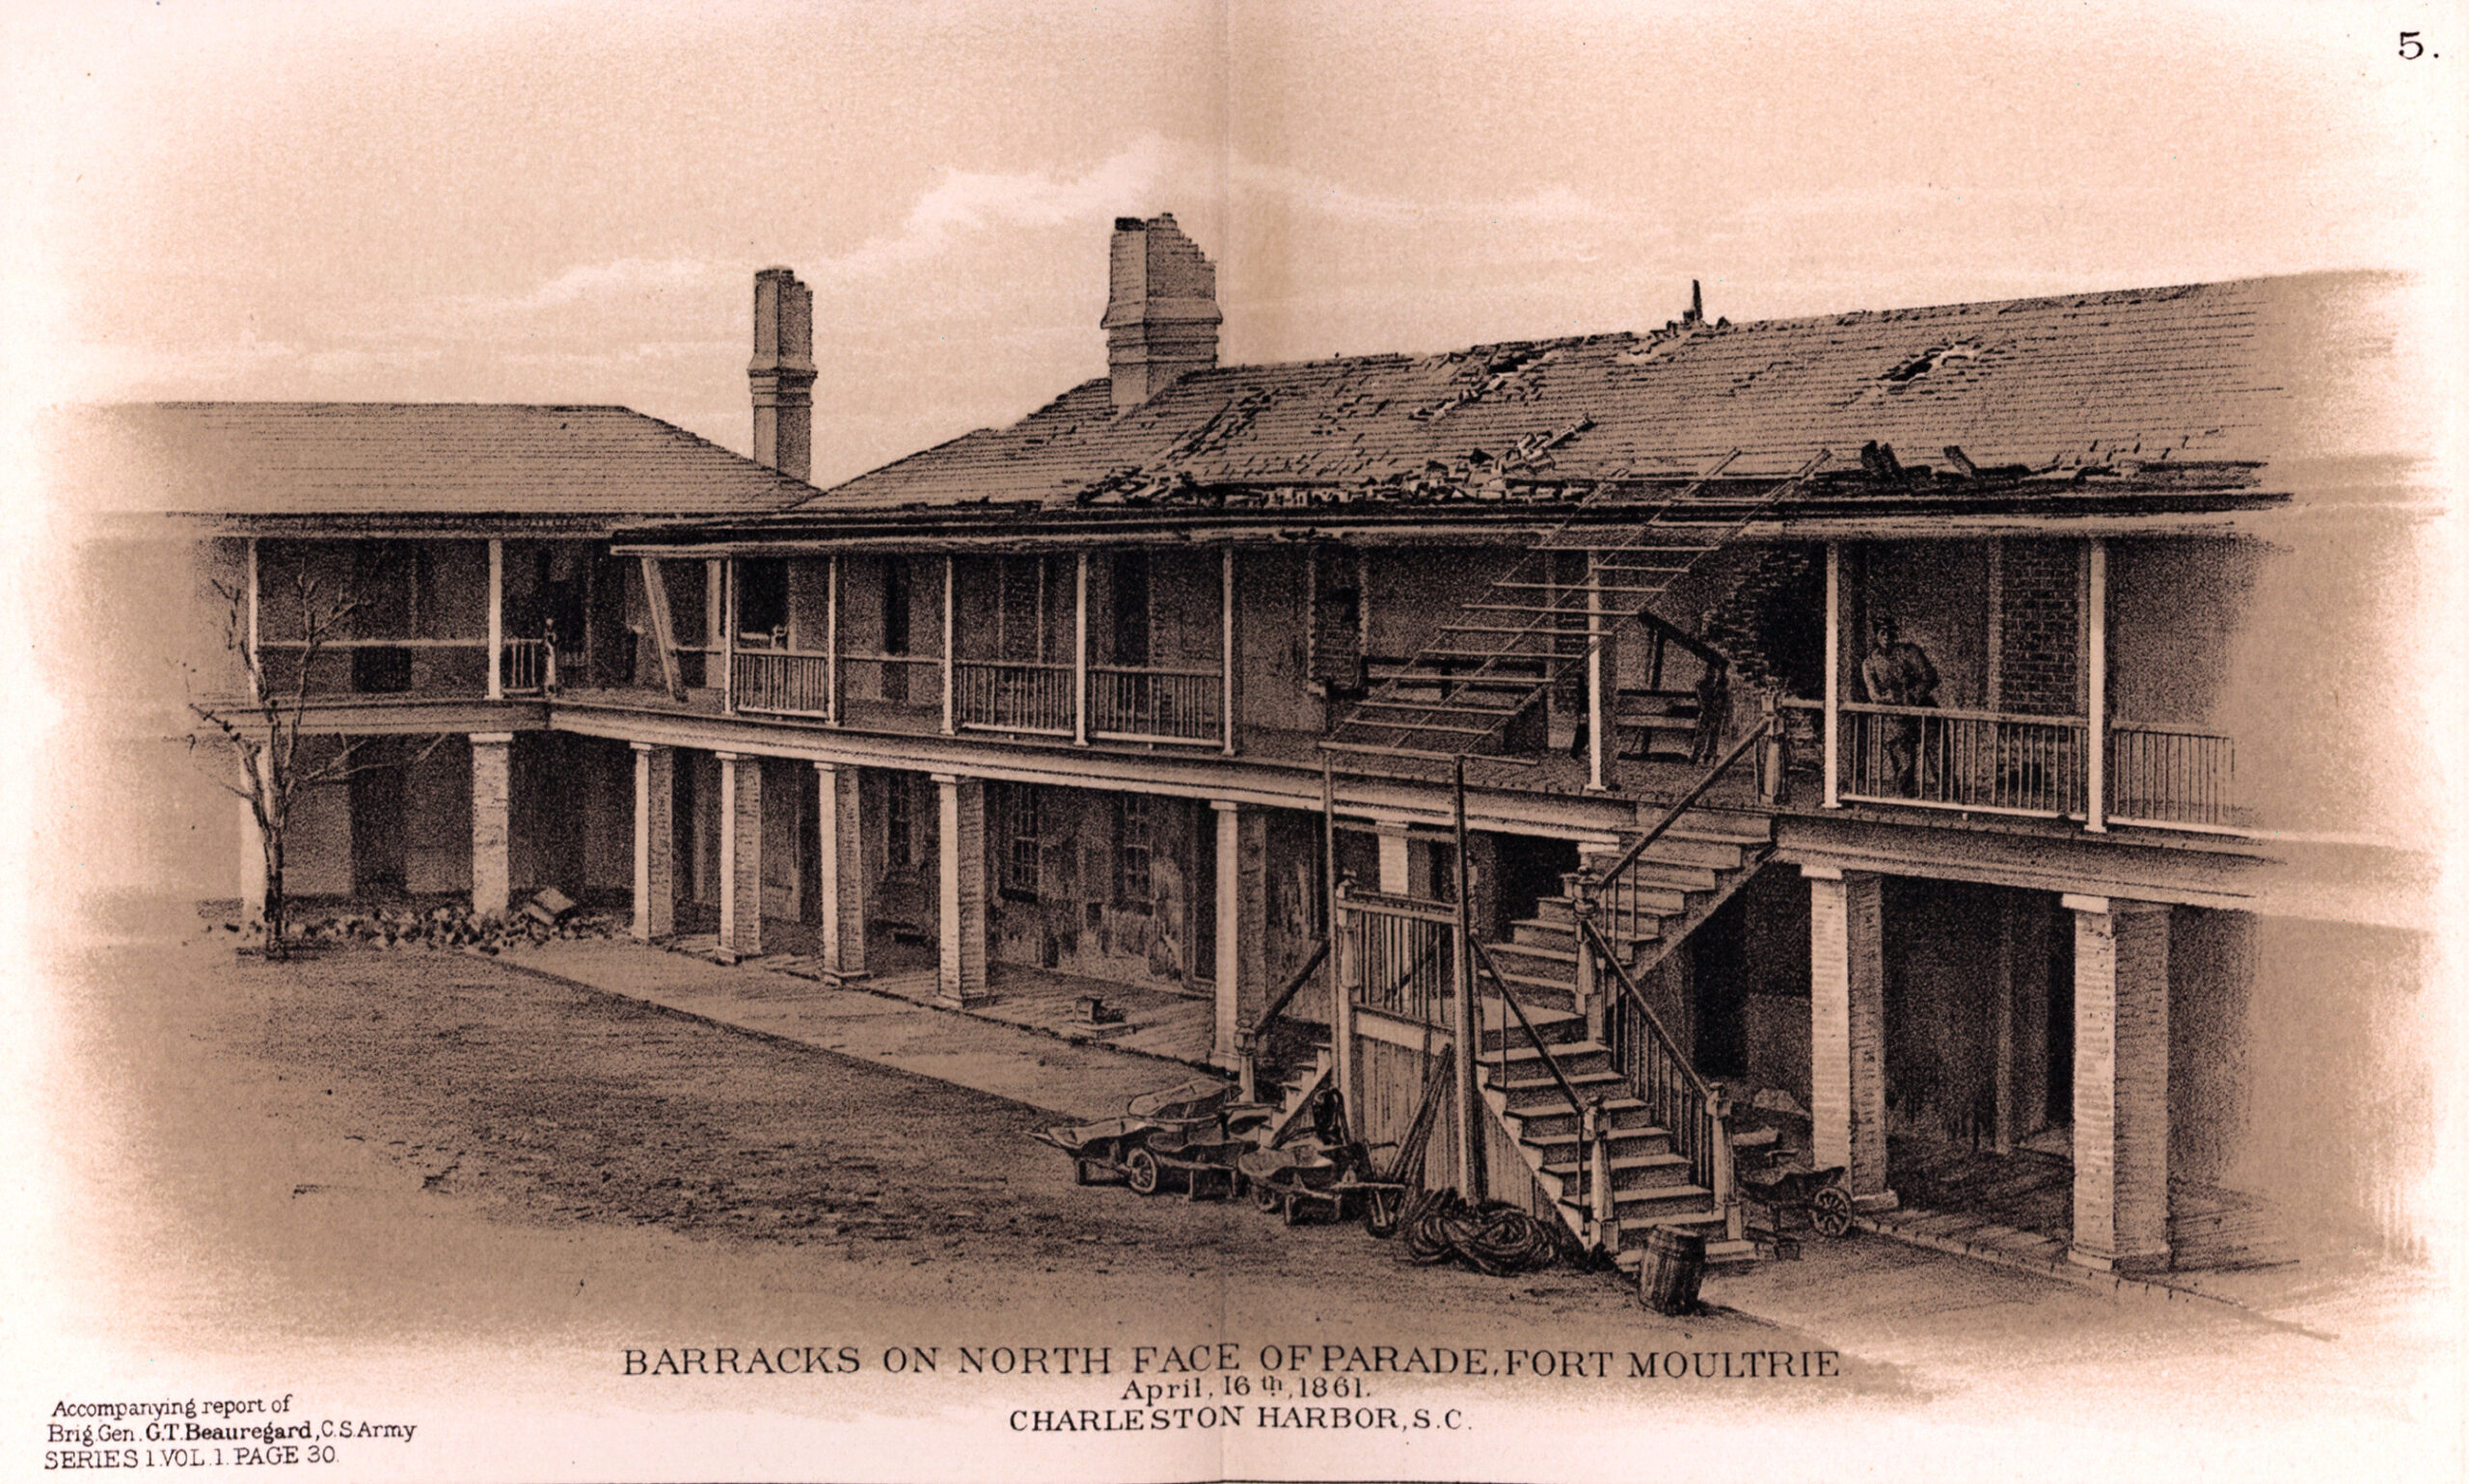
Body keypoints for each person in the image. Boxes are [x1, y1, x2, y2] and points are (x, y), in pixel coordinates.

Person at [1860, 617, 1939, 796]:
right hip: (1896, 718)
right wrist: (1891, 699)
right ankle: (1907, 802)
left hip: (1923, 711)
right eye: (1883, 633)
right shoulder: (1870, 663)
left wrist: (1910, 696)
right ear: (1876, 636)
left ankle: (1952, 800)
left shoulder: (1909, 652)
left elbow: (1930, 676)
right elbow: (1875, 695)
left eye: (1891, 632)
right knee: (1904, 764)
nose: (1887, 637)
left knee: (1938, 758)